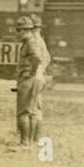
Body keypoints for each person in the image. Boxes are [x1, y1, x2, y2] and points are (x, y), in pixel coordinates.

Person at [13, 14, 50, 148]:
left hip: (28, 79)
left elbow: (38, 59)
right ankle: (29, 141)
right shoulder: (32, 41)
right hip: (34, 78)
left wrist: (31, 72)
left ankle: (25, 143)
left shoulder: (31, 42)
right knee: (32, 111)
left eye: (19, 30)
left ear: (25, 30)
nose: (17, 33)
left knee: (23, 111)